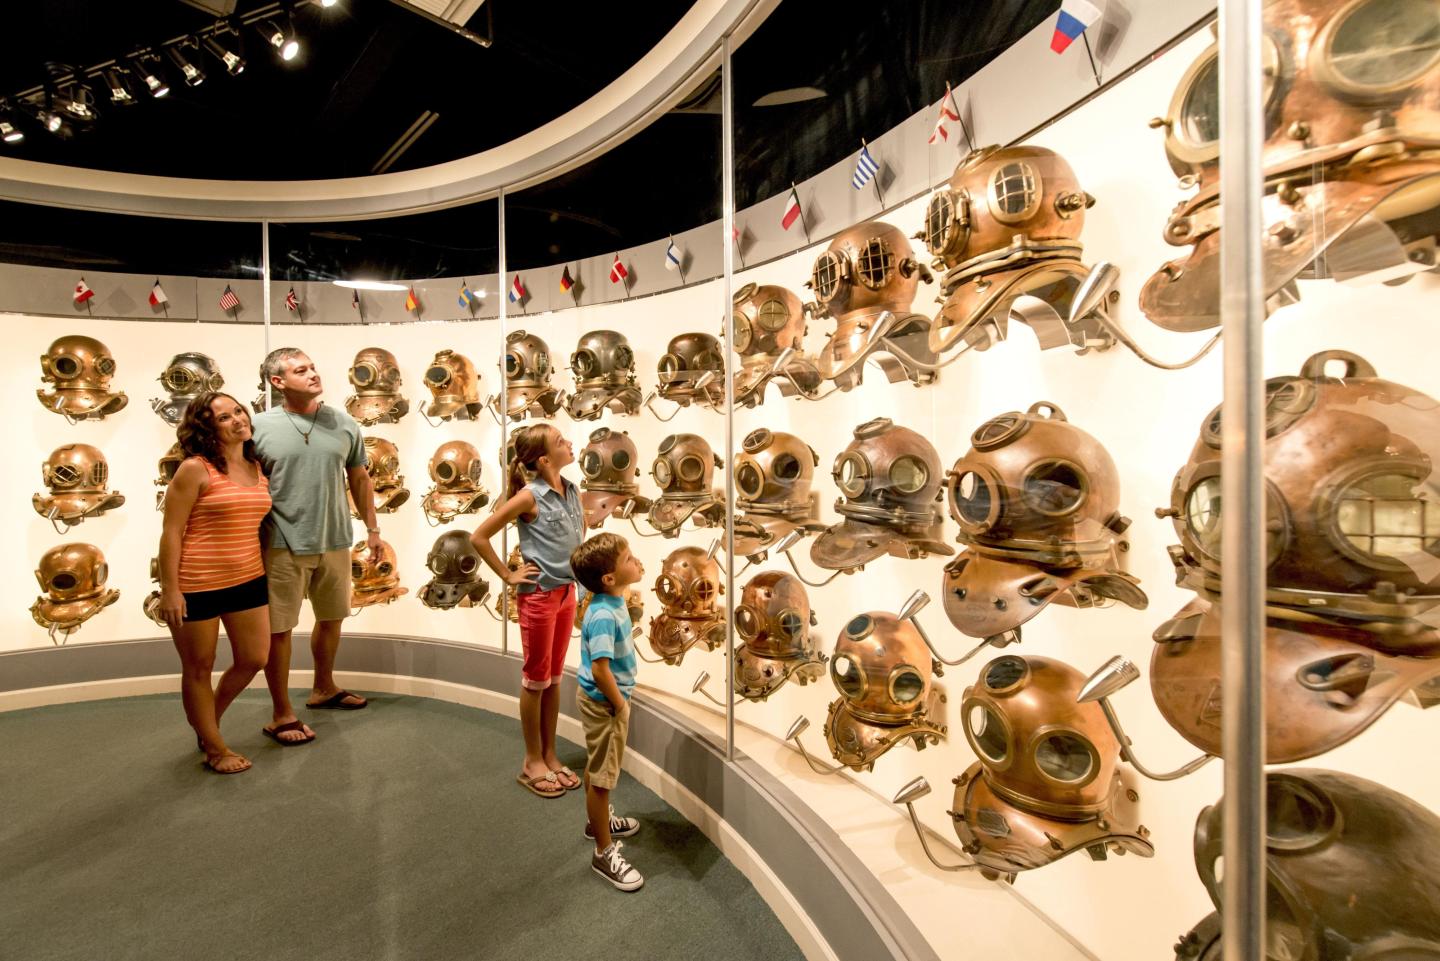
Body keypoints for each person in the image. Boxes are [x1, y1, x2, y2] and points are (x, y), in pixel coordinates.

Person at [252, 348, 380, 746]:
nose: (312, 374)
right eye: (300, 370)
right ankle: (281, 712)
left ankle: (323, 687)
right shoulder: (257, 427)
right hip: (281, 541)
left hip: (335, 538)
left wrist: (373, 529)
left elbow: (359, 479)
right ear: (278, 382)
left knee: (332, 618)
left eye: (312, 367)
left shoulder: (344, 423)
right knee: (279, 630)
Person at [157, 392, 274, 774]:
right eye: (225, 417)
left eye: (239, 411)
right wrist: (170, 590)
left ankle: (207, 722)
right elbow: (171, 532)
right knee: (198, 669)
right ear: (208, 428)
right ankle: (215, 747)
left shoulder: (257, 467)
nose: (238, 419)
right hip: (197, 583)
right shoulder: (195, 469)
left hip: (248, 579)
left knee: (255, 658)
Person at [470, 423, 586, 798]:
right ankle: (531, 759)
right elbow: (479, 536)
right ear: (544, 459)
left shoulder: (571, 491)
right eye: (560, 442)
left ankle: (550, 754)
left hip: (566, 593)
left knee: (553, 678)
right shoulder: (528, 497)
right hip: (538, 596)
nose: (569, 443)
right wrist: (508, 574)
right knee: (535, 679)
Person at [570, 532, 646, 890]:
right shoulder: (602, 614)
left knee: (597, 765)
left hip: (601, 700)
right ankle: (603, 852)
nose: (637, 561)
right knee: (602, 779)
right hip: (605, 703)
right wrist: (619, 704)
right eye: (629, 558)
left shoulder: (610, 599)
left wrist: (634, 572)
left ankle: (596, 821)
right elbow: (601, 668)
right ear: (609, 579)